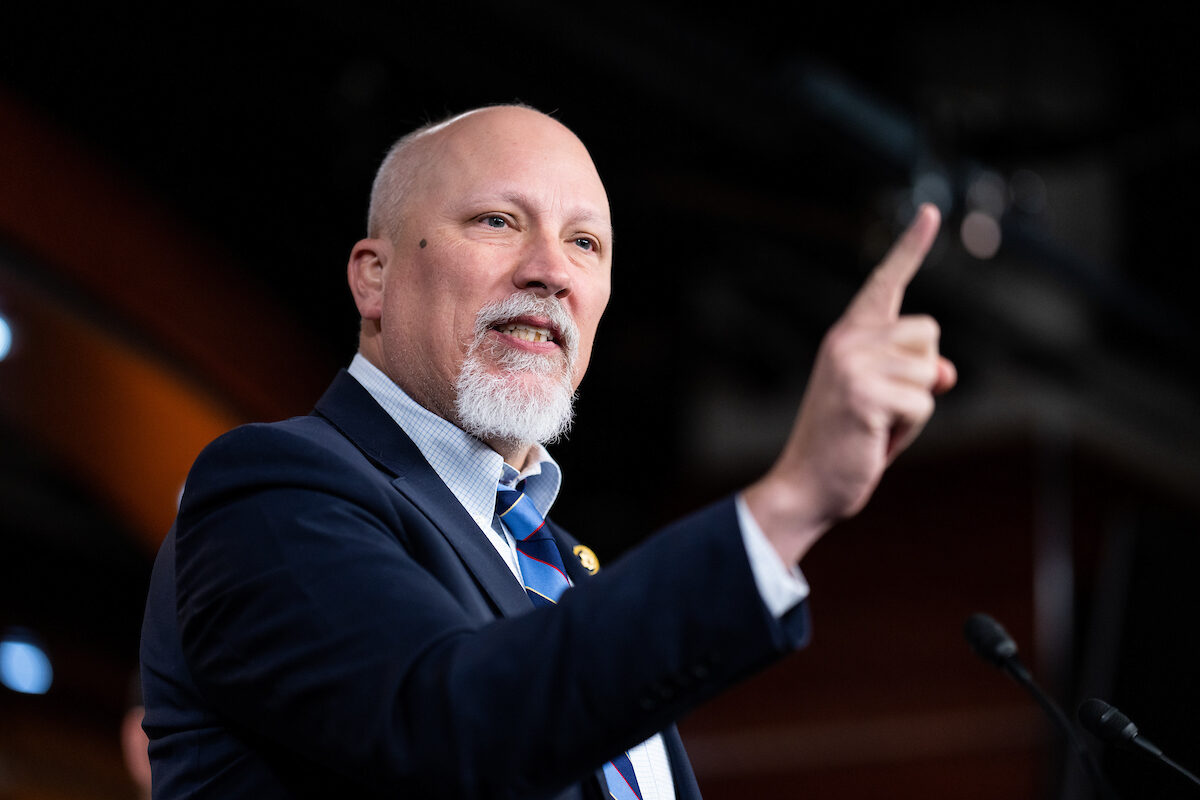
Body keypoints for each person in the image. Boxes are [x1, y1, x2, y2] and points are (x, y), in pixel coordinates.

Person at [140, 104, 954, 799]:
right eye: (498, 222)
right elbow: (457, 726)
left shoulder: (566, 571)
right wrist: (790, 501)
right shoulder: (267, 492)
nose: (550, 272)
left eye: (585, 244)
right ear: (373, 278)